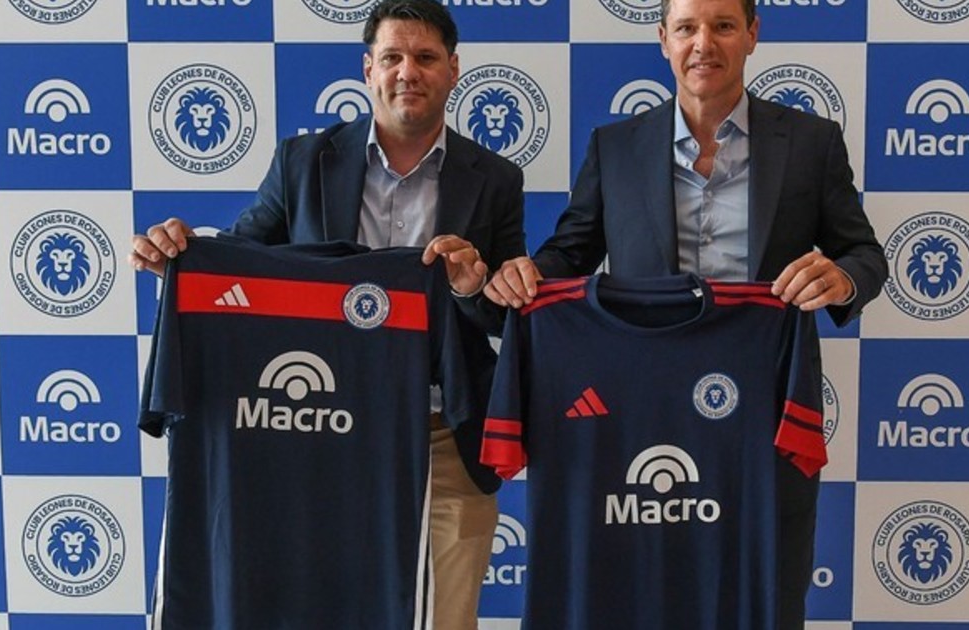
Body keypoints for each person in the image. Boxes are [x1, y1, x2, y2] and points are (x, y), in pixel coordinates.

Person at [484, 0, 886, 626]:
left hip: (764, 412)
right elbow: (569, 254)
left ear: (752, 34)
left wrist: (841, 278)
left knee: (764, 589)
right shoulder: (615, 146)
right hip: (638, 415)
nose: (704, 43)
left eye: (723, 25)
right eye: (687, 28)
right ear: (663, 39)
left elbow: (864, 254)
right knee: (639, 587)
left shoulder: (811, 142)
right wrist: (524, 277)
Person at [130, 1, 525, 627]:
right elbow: (238, 264)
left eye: (425, 58)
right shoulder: (303, 160)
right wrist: (179, 258)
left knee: (445, 619)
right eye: (392, 57)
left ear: (453, 70)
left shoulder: (496, 179)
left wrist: (472, 288)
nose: (408, 72)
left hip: (440, 435)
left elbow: (504, 316)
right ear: (369, 69)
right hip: (314, 434)